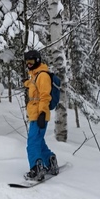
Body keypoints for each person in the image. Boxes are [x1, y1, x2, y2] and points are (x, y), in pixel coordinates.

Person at [23, 50, 59, 181]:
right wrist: (26, 83)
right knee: (39, 141)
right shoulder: (35, 75)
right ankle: (50, 162)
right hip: (35, 114)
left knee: (32, 143)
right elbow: (34, 85)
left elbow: (45, 96)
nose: (29, 65)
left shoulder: (42, 76)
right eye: (27, 62)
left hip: (39, 115)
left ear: (37, 61)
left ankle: (36, 169)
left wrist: (42, 114)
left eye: (31, 62)